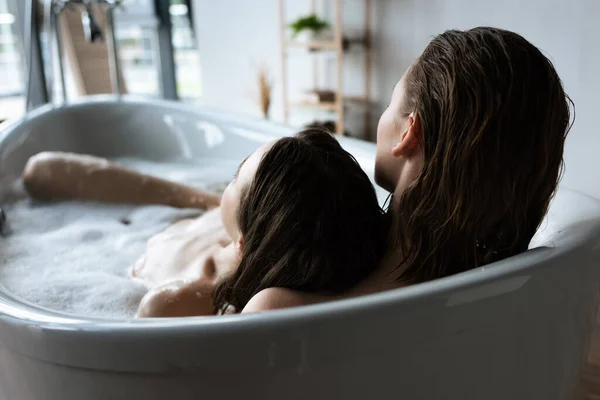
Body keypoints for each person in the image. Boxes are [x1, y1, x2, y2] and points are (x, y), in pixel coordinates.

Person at [22, 27, 572, 316]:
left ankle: (207, 201)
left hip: (158, 253)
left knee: (41, 169)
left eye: (390, 102)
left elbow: (167, 312)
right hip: (215, 232)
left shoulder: (278, 302)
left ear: (409, 131)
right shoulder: (487, 274)